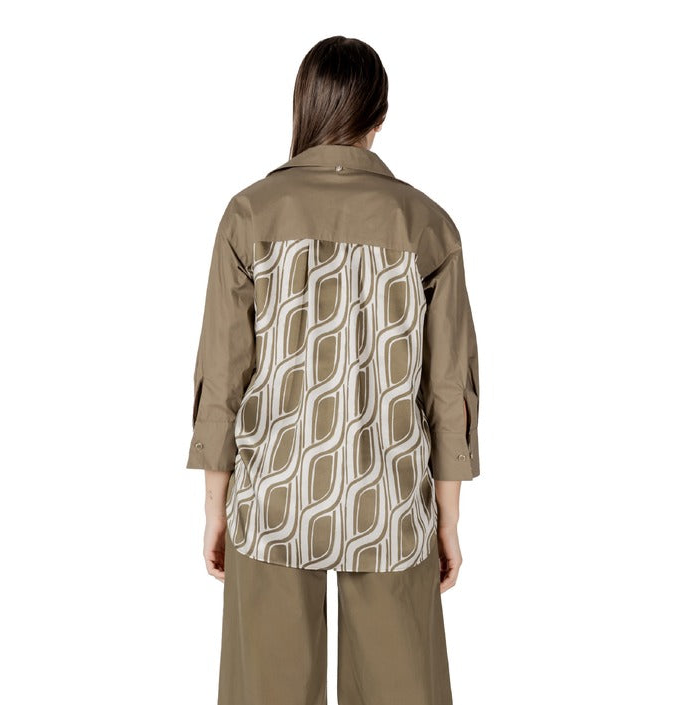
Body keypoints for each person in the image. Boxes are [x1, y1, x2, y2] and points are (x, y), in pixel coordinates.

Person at [185, 35, 481, 705]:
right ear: (380, 115)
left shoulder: (249, 213)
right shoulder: (426, 223)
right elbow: (447, 390)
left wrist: (214, 507)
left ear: (304, 107)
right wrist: (447, 519)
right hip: (389, 497)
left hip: (273, 496)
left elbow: (222, 375)